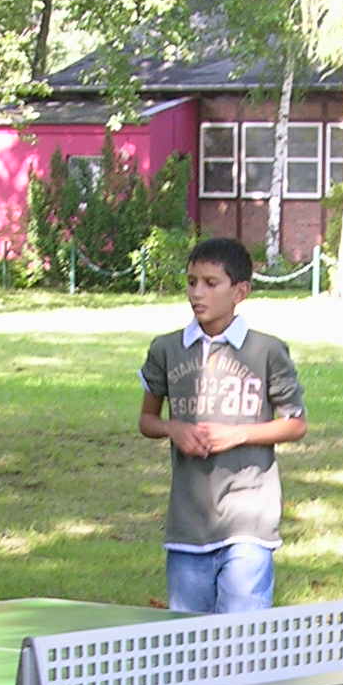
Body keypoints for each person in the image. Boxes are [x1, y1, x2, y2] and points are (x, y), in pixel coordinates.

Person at [139, 237, 306, 615]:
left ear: (240, 292)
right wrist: (173, 429)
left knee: (241, 638)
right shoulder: (166, 349)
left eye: (211, 283)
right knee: (188, 639)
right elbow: (147, 420)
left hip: (249, 520)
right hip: (188, 525)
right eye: (191, 282)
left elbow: (295, 424)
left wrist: (239, 434)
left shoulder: (267, 350)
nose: (197, 293)